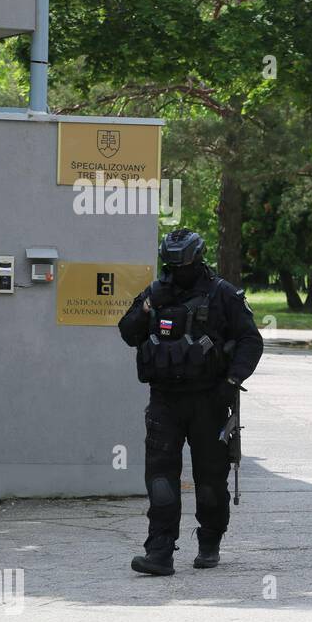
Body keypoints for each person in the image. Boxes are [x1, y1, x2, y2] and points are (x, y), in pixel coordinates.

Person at [118, 228, 263, 576]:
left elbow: (250, 340)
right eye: (170, 264)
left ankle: (210, 540)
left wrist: (233, 380)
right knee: (161, 480)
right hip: (164, 401)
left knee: (211, 482)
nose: (175, 271)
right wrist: (146, 309)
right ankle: (160, 551)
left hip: (208, 401)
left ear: (197, 259)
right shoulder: (156, 292)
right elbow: (127, 332)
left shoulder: (221, 294)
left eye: (181, 264)